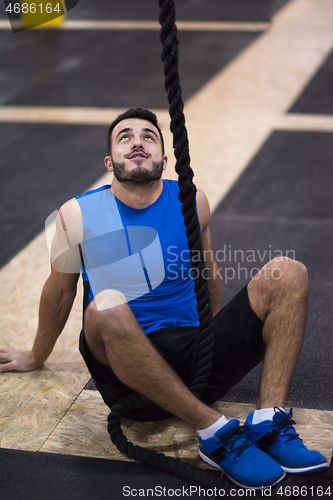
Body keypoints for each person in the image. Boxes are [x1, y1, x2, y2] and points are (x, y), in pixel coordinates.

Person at [0, 108, 328, 490]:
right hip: (127, 374)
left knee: (289, 272)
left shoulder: (191, 201)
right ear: (110, 161)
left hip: (194, 358)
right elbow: (59, 291)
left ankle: (269, 421)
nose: (137, 142)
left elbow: (208, 274)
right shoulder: (76, 214)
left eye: (148, 137)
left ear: (163, 158)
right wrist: (37, 355)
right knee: (106, 302)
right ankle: (213, 432)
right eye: (125, 137)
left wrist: (215, 342)